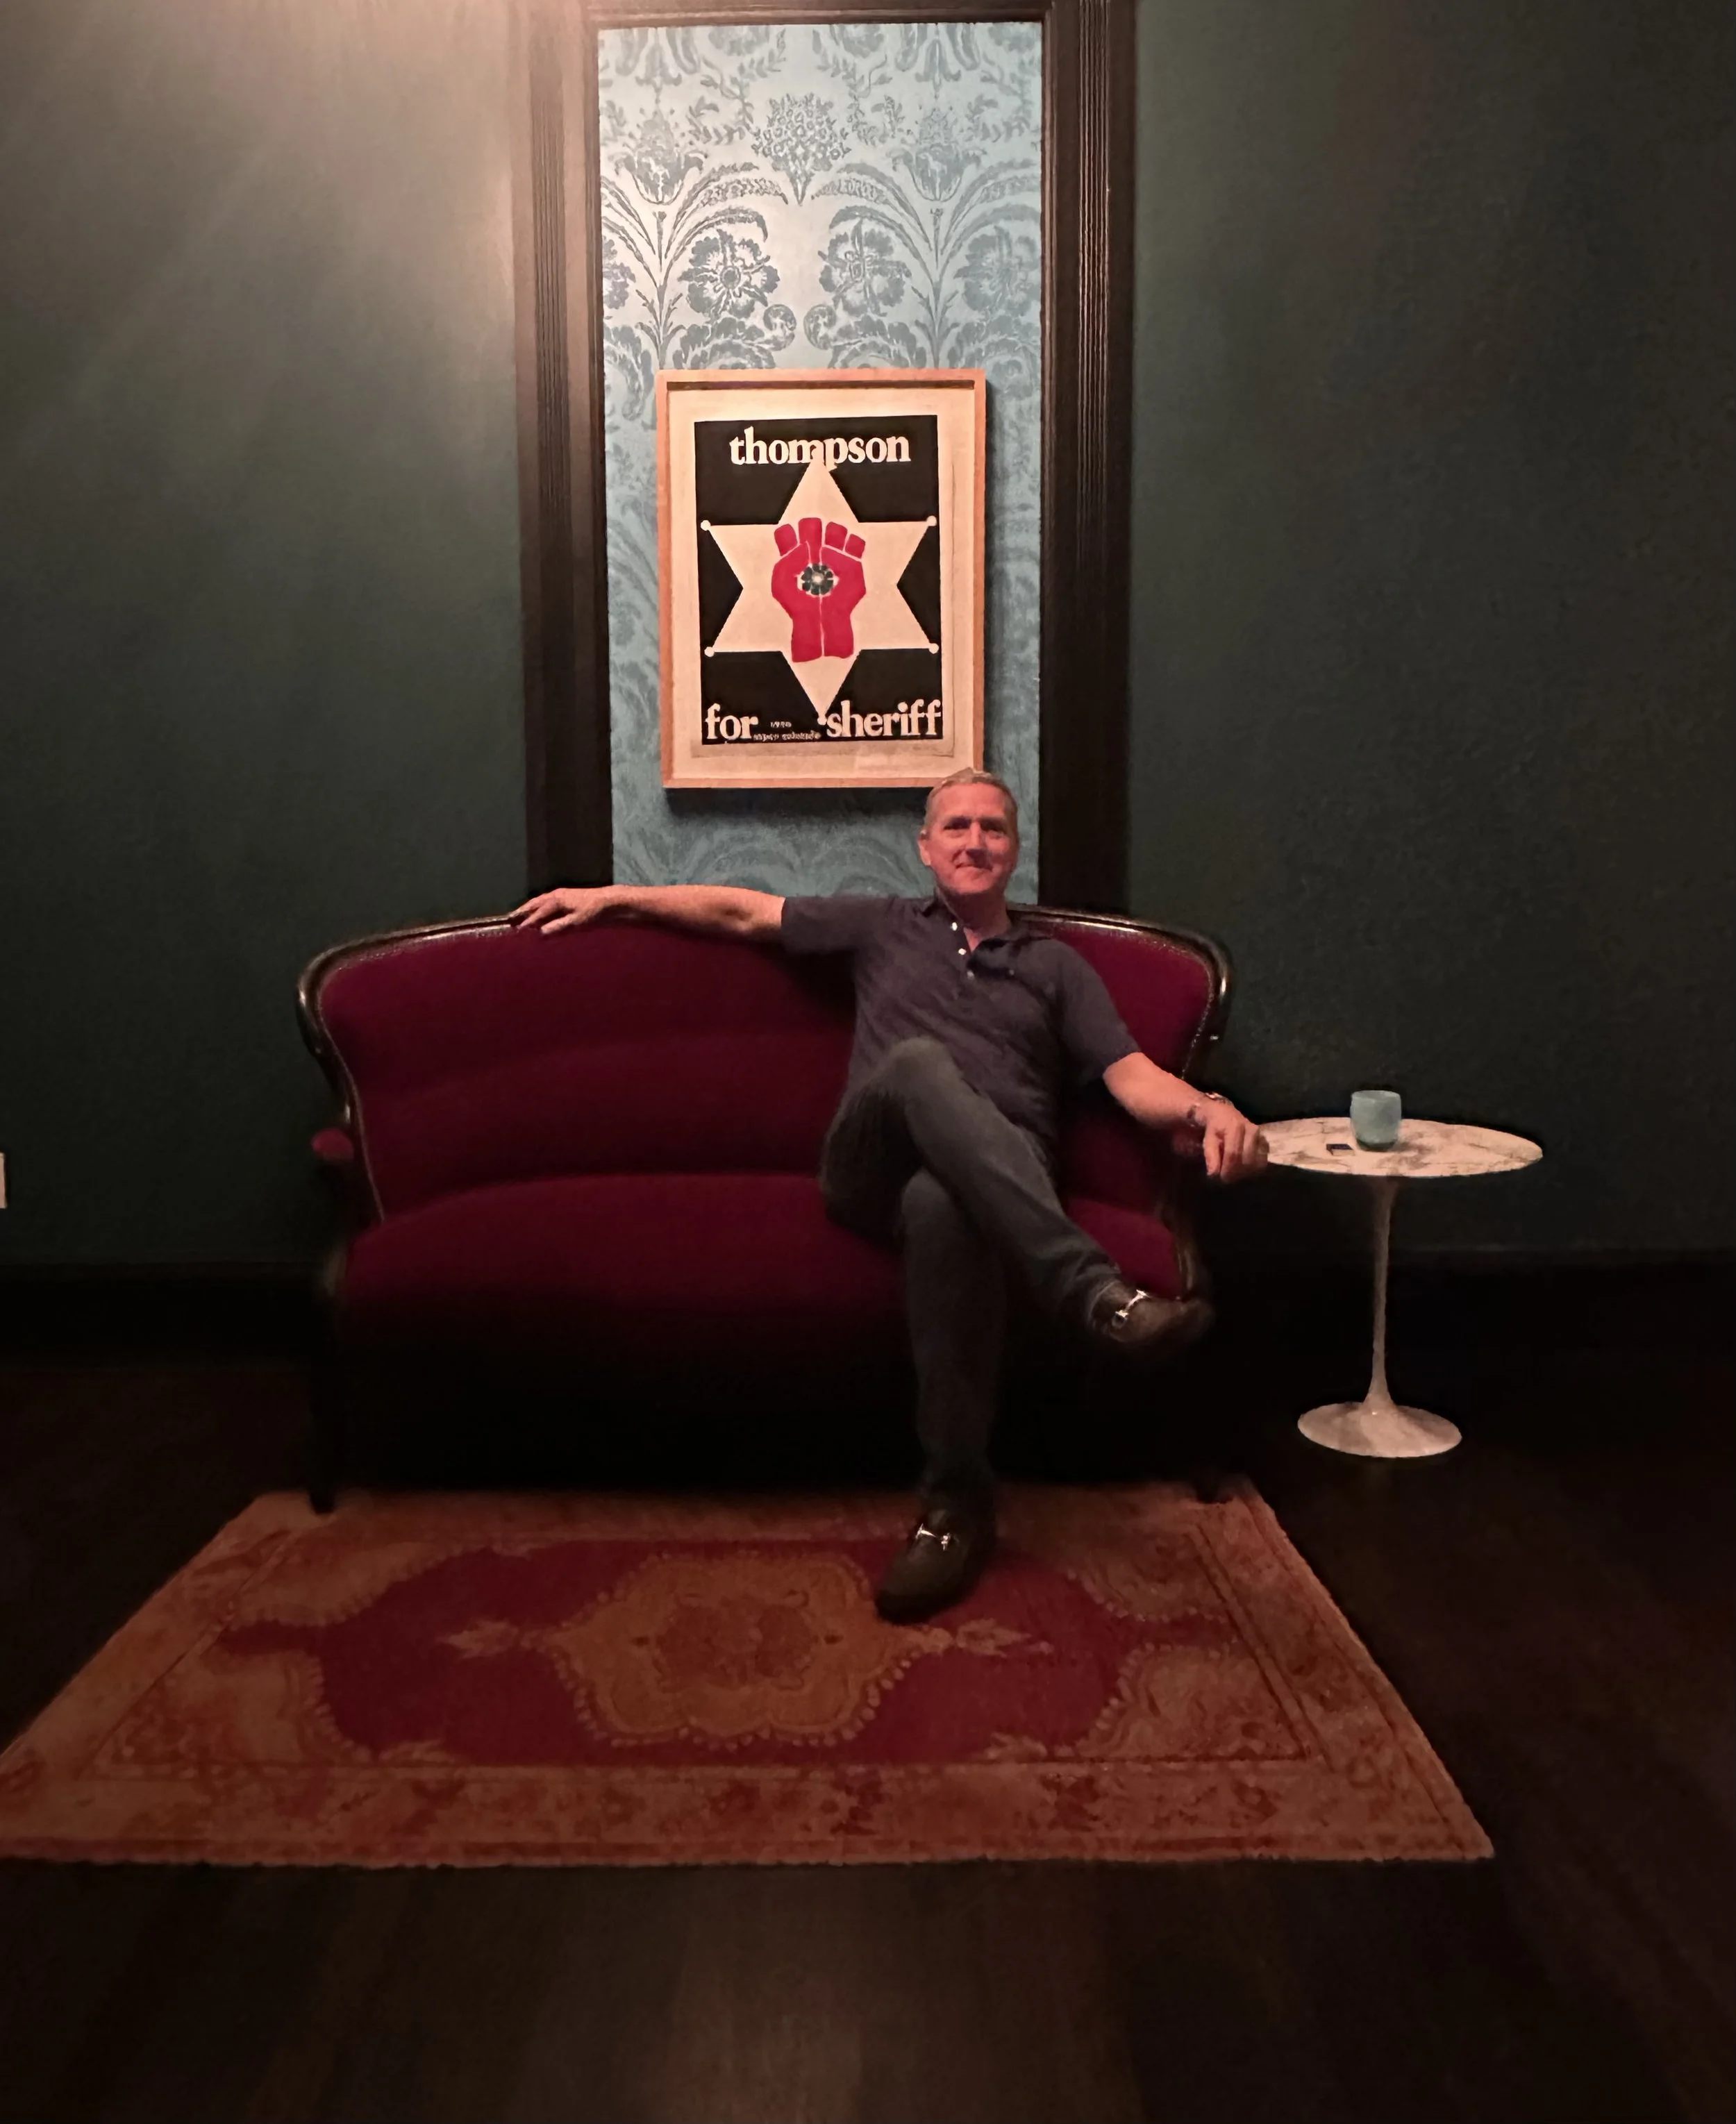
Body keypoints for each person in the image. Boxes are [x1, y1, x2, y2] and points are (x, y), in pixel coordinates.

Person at [511, 770, 1267, 1621]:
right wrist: (613, 897)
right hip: (866, 1161)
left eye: (991, 828)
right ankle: (1091, 1292)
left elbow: (1131, 1078)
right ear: (925, 846)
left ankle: (957, 1505)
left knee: (945, 1207)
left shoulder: (1057, 965)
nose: (973, 840)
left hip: (994, 1172)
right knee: (915, 1063)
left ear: (1013, 849)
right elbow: (743, 913)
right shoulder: (881, 924)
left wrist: (1210, 1106)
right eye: (956, 826)